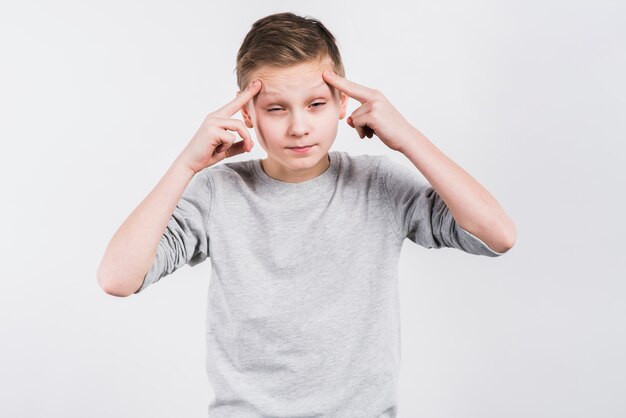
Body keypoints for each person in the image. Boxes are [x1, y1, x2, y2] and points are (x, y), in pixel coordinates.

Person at [97, 11, 516, 418]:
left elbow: (498, 235)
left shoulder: (378, 184)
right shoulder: (218, 193)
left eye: (315, 103)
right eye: (277, 108)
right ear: (248, 115)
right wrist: (185, 166)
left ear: (341, 103)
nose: (299, 126)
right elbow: (117, 278)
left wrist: (407, 138)